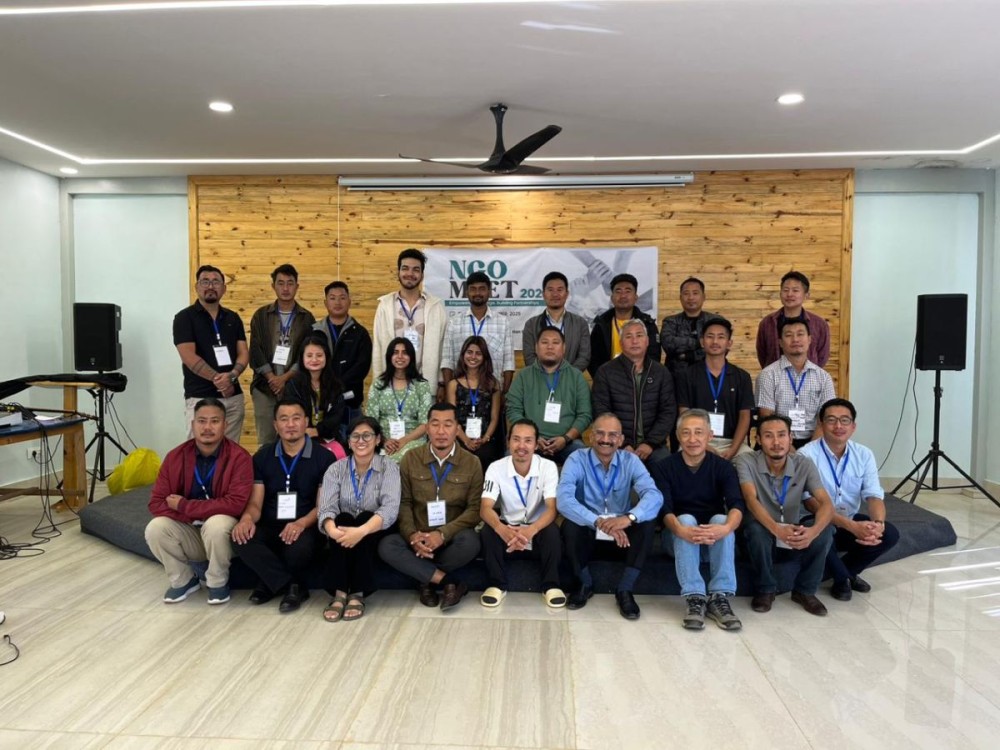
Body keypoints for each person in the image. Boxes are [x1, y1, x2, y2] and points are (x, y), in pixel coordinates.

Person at [145, 398, 253, 605]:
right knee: (156, 527)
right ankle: (183, 580)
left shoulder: (239, 457)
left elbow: (235, 504)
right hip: (191, 530)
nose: (207, 427)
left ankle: (217, 582)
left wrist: (185, 506)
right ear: (193, 424)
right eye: (202, 421)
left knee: (217, 523)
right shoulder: (175, 457)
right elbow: (157, 502)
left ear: (225, 425)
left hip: (225, 536)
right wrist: (191, 516)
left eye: (214, 421)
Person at [556, 413, 664, 620]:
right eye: (600, 433)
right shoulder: (576, 459)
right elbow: (564, 500)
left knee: (646, 523)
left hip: (622, 538)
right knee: (570, 525)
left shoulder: (631, 461)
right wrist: (598, 521)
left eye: (613, 435)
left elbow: (654, 495)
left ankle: (625, 589)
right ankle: (584, 583)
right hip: (589, 534)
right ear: (590, 436)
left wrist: (628, 518)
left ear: (621, 440)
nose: (606, 439)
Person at [231, 400, 334, 613]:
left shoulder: (324, 457)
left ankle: (268, 582)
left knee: (299, 548)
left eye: (296, 418)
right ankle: (290, 585)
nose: (290, 424)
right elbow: (255, 503)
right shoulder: (263, 456)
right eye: (284, 419)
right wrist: (247, 519)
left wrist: (300, 523)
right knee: (240, 537)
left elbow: (323, 506)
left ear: (306, 422)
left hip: (307, 525)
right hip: (270, 524)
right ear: (275, 425)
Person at [378, 403, 483, 611]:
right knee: (387, 545)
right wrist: (412, 536)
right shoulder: (411, 458)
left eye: (448, 425)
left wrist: (442, 534)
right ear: (426, 428)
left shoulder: (472, 462)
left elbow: (474, 509)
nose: (441, 431)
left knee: (471, 542)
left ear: (457, 429)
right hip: (418, 536)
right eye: (435, 424)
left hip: (451, 538)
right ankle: (447, 581)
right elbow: (404, 502)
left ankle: (425, 578)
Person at [649, 410, 744, 631]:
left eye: (699, 432)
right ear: (677, 436)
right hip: (678, 540)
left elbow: (737, 504)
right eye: (686, 433)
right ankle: (695, 598)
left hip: (712, 542)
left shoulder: (723, 467)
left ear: (710, 435)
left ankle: (719, 597)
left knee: (722, 518)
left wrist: (726, 528)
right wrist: (680, 530)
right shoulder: (664, 467)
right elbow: (664, 508)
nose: (692, 439)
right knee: (684, 519)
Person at [798, 398, 900, 601]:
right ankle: (842, 578)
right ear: (821, 424)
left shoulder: (864, 454)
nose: (838, 426)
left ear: (853, 426)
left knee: (888, 534)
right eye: (831, 420)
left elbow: (874, 495)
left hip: (848, 520)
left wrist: (878, 524)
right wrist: (852, 527)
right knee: (822, 533)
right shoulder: (806, 455)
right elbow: (810, 503)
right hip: (814, 522)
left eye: (844, 420)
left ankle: (844, 572)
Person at [734, 414, 835, 616]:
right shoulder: (746, 461)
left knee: (826, 530)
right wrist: (776, 529)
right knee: (754, 528)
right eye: (768, 436)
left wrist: (813, 532)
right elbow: (750, 500)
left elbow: (826, 504)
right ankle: (765, 589)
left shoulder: (804, 464)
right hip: (761, 535)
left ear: (790, 438)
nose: (776, 442)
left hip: (790, 533)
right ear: (758, 439)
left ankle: (805, 591)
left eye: (781, 435)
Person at [317, 416, 401, 621]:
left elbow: (390, 508)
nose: (360, 441)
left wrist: (361, 531)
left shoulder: (389, 467)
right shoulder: (336, 469)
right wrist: (333, 530)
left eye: (367, 436)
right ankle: (340, 593)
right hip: (343, 529)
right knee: (343, 518)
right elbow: (326, 507)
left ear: (378, 439)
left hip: (376, 528)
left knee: (364, 516)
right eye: (355, 436)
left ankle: (356, 593)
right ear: (348, 440)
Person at [479, 419, 565, 609]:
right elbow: (485, 508)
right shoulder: (496, 468)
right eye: (516, 439)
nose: (521, 446)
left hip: (537, 528)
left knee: (552, 531)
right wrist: (501, 528)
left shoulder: (548, 467)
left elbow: (552, 509)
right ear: (508, 442)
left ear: (536, 445)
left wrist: (531, 530)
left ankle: (551, 585)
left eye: (528, 440)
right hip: (508, 528)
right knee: (488, 530)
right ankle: (497, 585)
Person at [172, 265, 249, 443]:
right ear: (196, 287)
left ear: (224, 288)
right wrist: (220, 381)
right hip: (200, 397)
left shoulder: (233, 318)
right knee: (199, 451)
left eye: (216, 282)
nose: (211, 286)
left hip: (232, 397)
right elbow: (188, 356)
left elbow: (243, 352)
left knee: (230, 452)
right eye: (205, 281)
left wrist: (232, 376)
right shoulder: (184, 318)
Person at [248, 264, 316, 446]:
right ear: (273, 286)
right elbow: (255, 350)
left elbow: (306, 352)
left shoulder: (306, 317)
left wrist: (284, 378)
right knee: (266, 440)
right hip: (264, 386)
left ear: (297, 286)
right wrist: (272, 378)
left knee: (293, 438)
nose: (285, 288)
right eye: (281, 283)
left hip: (294, 385)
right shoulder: (261, 315)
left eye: (290, 283)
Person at [592, 318, 675, 465]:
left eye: (639, 335)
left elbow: (668, 412)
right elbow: (601, 411)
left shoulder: (661, 372)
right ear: (621, 343)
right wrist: (623, 443)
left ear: (647, 341)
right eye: (629, 336)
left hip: (654, 446)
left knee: (666, 466)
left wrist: (650, 443)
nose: (634, 341)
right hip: (615, 443)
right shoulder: (605, 372)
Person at [506, 326, 592, 465]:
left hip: (568, 442)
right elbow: (513, 410)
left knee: (584, 457)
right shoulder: (523, 376)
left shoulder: (576, 377)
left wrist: (566, 438)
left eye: (555, 342)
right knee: (510, 456)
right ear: (536, 347)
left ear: (564, 348)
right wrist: (531, 437)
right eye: (545, 342)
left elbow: (585, 414)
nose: (550, 347)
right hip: (530, 441)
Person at [371, 248, 447, 395]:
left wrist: (441, 383)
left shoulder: (435, 307)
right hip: (391, 386)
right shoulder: (385, 305)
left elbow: (443, 347)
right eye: (405, 268)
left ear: (422, 275)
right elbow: (378, 347)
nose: (410, 274)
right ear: (398, 272)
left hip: (424, 385)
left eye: (415, 270)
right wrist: (379, 383)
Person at [676, 316, 754, 459]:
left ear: (729, 343)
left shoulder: (742, 377)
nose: (715, 342)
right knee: (682, 459)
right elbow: (684, 413)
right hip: (696, 440)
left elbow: (745, 416)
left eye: (721, 337)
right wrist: (704, 445)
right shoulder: (687, 375)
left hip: (731, 442)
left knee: (750, 461)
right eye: (710, 336)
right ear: (702, 342)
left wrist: (733, 449)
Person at [756, 318, 835, 449]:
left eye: (800, 334)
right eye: (789, 335)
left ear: (809, 339)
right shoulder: (768, 374)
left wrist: (809, 451)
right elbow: (766, 416)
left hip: (814, 441)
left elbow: (827, 418)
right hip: (777, 442)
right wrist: (788, 448)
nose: (795, 339)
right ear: (780, 343)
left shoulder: (823, 377)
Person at [310, 281, 372, 431]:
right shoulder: (314, 332)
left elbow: (362, 367)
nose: (337, 302)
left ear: (349, 302)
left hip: (350, 402)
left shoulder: (360, 333)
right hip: (320, 402)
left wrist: (337, 387)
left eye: (342, 298)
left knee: (353, 441)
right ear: (325, 303)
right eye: (332, 298)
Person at [441, 270, 515, 394]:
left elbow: (508, 363)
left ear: (489, 292)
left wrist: (503, 393)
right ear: (467, 293)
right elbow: (447, 361)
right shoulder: (454, 323)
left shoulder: (503, 323)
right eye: (473, 289)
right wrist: (449, 392)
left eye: (482, 289)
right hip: (461, 393)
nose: (477, 293)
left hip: (493, 391)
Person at [365, 337, 433, 462]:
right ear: (389, 357)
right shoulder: (378, 384)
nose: (400, 356)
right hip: (383, 441)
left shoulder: (422, 385)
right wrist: (384, 441)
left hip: (413, 441)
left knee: (400, 458)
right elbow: (370, 420)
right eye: (395, 352)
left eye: (405, 353)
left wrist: (404, 441)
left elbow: (425, 423)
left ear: (411, 357)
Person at [446, 336, 503, 471]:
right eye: (469, 352)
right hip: (459, 437)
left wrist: (485, 438)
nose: (473, 357)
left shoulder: (493, 384)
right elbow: (452, 419)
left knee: (485, 455)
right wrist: (466, 440)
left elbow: (494, 417)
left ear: (484, 357)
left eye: (478, 353)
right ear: (463, 355)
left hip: (486, 439)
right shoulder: (453, 384)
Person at [284, 333, 347, 455]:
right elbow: (291, 413)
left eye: (319, 355)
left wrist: (317, 431)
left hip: (328, 437)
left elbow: (336, 416)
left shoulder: (335, 386)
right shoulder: (293, 385)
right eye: (309, 355)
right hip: (299, 438)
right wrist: (305, 431)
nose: (314, 360)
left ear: (326, 357)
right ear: (302, 358)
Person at [587, 273, 660, 377]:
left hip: (640, 380)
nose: (623, 296)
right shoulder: (601, 324)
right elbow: (593, 359)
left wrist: (642, 379)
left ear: (636, 297)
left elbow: (654, 357)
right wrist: (603, 379)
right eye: (618, 291)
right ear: (612, 298)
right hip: (608, 380)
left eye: (628, 291)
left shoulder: (648, 324)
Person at [756, 270, 831, 368]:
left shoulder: (819, 324)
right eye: (786, 290)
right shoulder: (767, 323)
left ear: (806, 295)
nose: (789, 294)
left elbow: (822, 357)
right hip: (774, 376)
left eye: (795, 290)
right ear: (780, 293)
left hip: (808, 376)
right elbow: (762, 354)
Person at [521, 271, 591, 371]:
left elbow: (584, 357)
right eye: (550, 290)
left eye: (560, 290)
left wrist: (568, 375)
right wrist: (546, 375)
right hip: (540, 379)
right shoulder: (531, 324)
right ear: (543, 294)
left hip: (571, 379)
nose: (555, 294)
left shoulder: (580, 323)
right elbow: (529, 357)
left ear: (567, 294)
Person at [659, 277, 718, 380]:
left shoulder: (715, 321)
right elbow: (668, 343)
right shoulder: (670, 321)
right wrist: (698, 343)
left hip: (709, 377)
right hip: (676, 379)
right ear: (680, 297)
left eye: (695, 293)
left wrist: (688, 356)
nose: (691, 297)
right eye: (686, 293)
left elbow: (719, 349)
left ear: (703, 297)